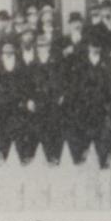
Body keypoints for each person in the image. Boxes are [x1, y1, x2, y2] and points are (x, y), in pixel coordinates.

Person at [69, 38, 110, 165]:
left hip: (100, 103)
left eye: (98, 47)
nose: (96, 49)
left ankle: (101, 159)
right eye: (93, 46)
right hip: (84, 103)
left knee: (101, 131)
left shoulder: (105, 62)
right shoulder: (82, 63)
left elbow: (108, 83)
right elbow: (76, 83)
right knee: (83, 130)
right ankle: (80, 156)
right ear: (89, 47)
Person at [30, 33, 65, 164]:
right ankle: (43, 155)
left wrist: (61, 94)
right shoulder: (33, 63)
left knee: (54, 126)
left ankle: (54, 155)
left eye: (44, 45)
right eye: (39, 46)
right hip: (39, 99)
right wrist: (30, 99)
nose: (41, 48)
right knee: (40, 127)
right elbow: (28, 84)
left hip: (53, 98)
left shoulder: (55, 61)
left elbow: (62, 79)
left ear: (49, 47)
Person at [0, 41, 27, 162]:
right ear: (2, 52)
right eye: (5, 51)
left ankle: (20, 154)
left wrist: (23, 98)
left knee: (19, 127)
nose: (8, 53)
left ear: (14, 51)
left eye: (10, 51)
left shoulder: (20, 63)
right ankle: (5, 153)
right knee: (3, 127)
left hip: (17, 100)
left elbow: (24, 81)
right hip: (3, 100)